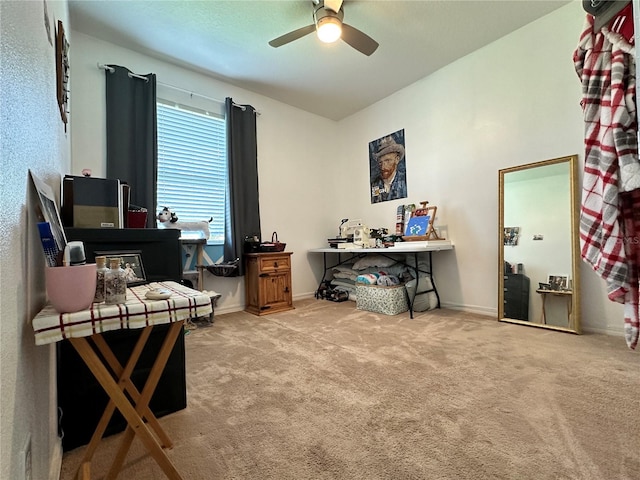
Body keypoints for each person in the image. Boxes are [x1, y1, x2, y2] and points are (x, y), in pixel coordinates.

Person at [370, 135, 407, 203]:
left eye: (387, 160)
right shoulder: (374, 184)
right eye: (380, 162)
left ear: (397, 160)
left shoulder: (404, 181)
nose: (383, 167)